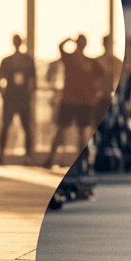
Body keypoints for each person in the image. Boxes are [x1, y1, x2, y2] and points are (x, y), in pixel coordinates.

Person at [43, 35, 102, 168]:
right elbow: (60, 46)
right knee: (62, 131)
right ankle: (51, 159)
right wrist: (69, 39)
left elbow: (102, 76)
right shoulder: (70, 58)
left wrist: (95, 91)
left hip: (84, 101)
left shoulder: (90, 62)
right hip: (69, 100)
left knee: (81, 133)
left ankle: (83, 162)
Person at [0, 34, 36, 165]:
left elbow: (33, 80)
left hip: (23, 98)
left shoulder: (27, 60)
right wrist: (3, 93)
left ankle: (28, 157)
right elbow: (0, 79)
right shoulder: (7, 60)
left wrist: (30, 94)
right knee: (6, 126)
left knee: (26, 127)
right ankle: (1, 155)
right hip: (11, 98)